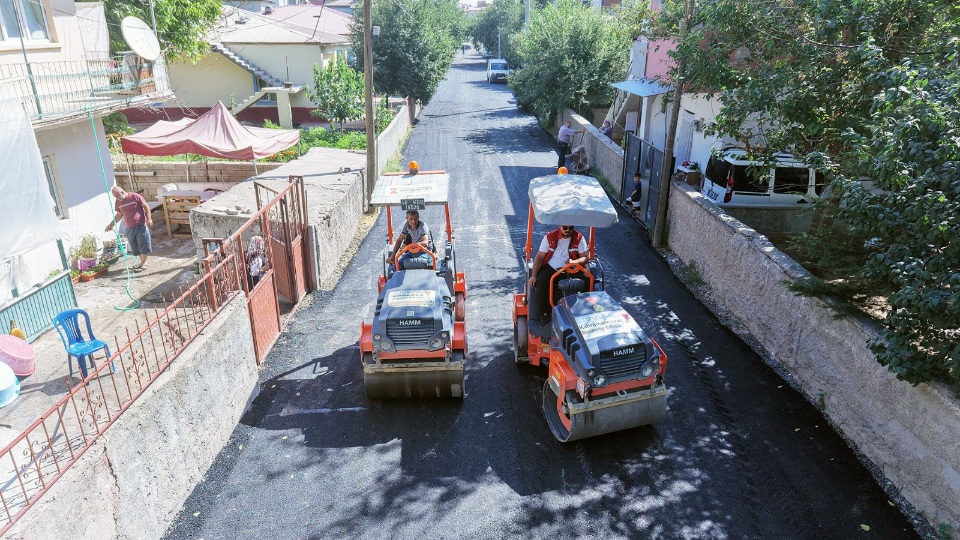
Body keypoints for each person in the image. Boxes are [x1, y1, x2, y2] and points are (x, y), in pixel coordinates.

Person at [527, 224, 588, 325]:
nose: (568, 230)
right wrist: (533, 275)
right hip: (552, 267)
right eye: (565, 228)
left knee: (588, 280)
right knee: (540, 282)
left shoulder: (579, 237)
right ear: (560, 226)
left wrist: (574, 262)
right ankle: (545, 314)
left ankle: (585, 311)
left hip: (572, 268)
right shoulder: (549, 237)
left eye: (571, 228)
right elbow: (539, 257)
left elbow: (585, 258)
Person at [106, 185, 153, 272]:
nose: (117, 198)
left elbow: (146, 206)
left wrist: (149, 219)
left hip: (140, 225)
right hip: (129, 227)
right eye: (115, 196)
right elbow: (119, 215)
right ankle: (142, 262)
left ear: (122, 192)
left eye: (117, 195)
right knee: (135, 247)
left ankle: (143, 263)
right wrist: (111, 225)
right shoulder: (118, 202)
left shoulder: (134, 196)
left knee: (143, 244)